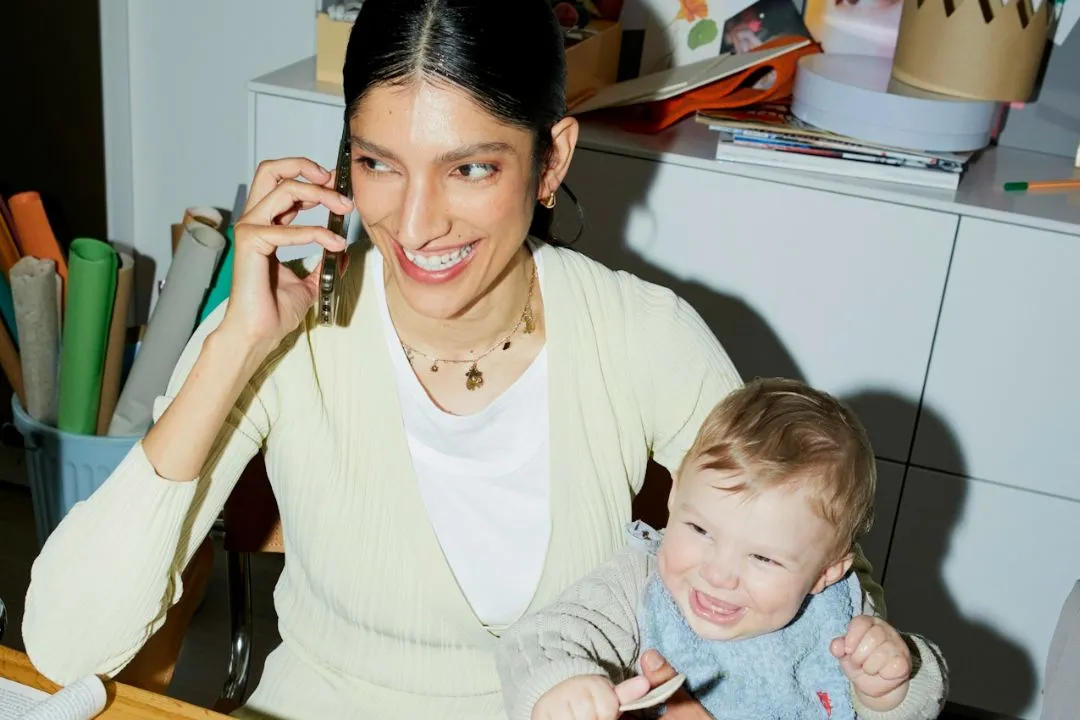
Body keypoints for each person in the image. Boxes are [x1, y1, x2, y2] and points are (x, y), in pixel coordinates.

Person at [23, 1, 883, 718]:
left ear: (551, 160)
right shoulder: (283, 329)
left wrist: (712, 698)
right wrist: (233, 348)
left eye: (469, 168)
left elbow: (827, 586)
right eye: (378, 164)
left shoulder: (640, 335)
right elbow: (64, 647)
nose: (416, 223)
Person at [497, 378, 948, 720]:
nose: (717, 574)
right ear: (674, 495)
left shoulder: (838, 616)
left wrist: (889, 685)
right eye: (700, 529)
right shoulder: (637, 587)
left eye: (763, 558)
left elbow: (919, 699)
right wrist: (563, 686)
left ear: (826, 573)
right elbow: (538, 641)